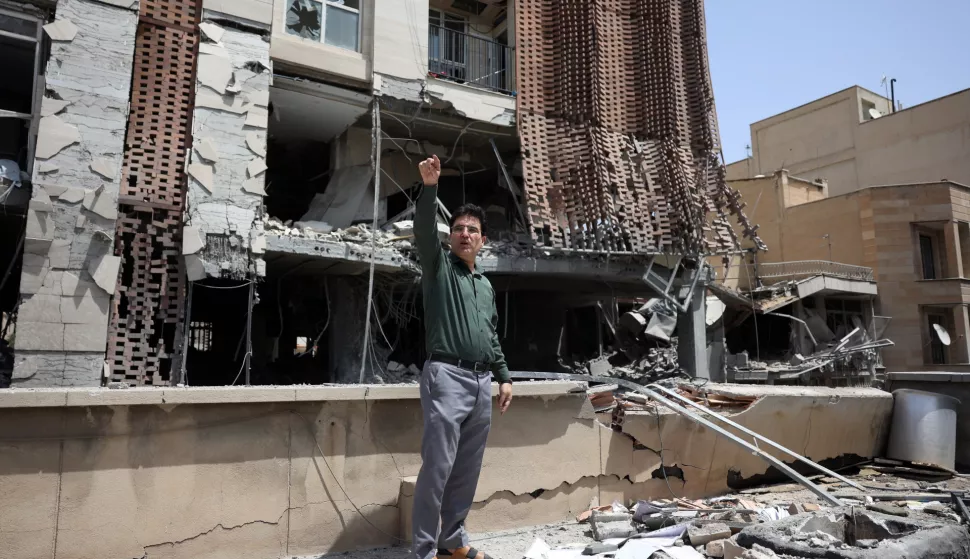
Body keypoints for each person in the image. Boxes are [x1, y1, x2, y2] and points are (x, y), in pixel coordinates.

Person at [411, 154, 512, 559]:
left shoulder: (484, 285)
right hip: (447, 377)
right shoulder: (439, 268)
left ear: (482, 240)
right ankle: (423, 551)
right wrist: (429, 188)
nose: (465, 234)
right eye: (458, 229)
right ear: (450, 236)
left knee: (466, 469)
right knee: (437, 468)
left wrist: (504, 376)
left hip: (482, 382)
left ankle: (451, 542)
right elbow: (423, 231)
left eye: (472, 230)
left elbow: (490, 335)